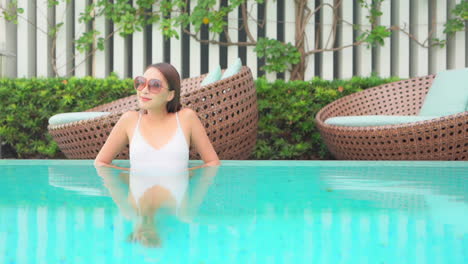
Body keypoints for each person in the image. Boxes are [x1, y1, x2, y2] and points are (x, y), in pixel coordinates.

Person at [94, 62, 221, 247]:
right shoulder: (130, 120)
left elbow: (212, 163)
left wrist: (189, 175)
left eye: (154, 85)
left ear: (170, 94)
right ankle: (146, 231)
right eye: (141, 82)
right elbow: (101, 163)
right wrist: (126, 177)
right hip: (139, 199)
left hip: (175, 200)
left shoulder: (186, 118)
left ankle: (151, 235)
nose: (144, 90)